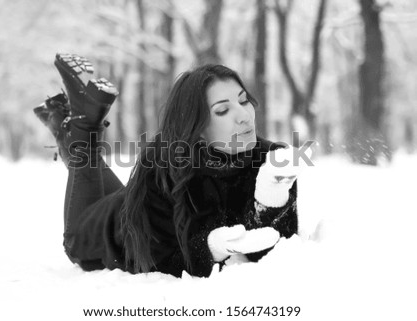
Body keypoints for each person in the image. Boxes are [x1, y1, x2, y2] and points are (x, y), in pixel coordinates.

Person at [34, 53, 305, 278]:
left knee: (87, 159)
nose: (245, 116)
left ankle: (65, 123)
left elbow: (275, 252)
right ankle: (84, 125)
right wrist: (209, 249)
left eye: (243, 100)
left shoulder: (272, 161)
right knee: (75, 231)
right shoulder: (167, 167)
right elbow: (158, 258)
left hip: (127, 201)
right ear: (196, 128)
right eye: (222, 110)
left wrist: (271, 199)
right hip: (105, 233)